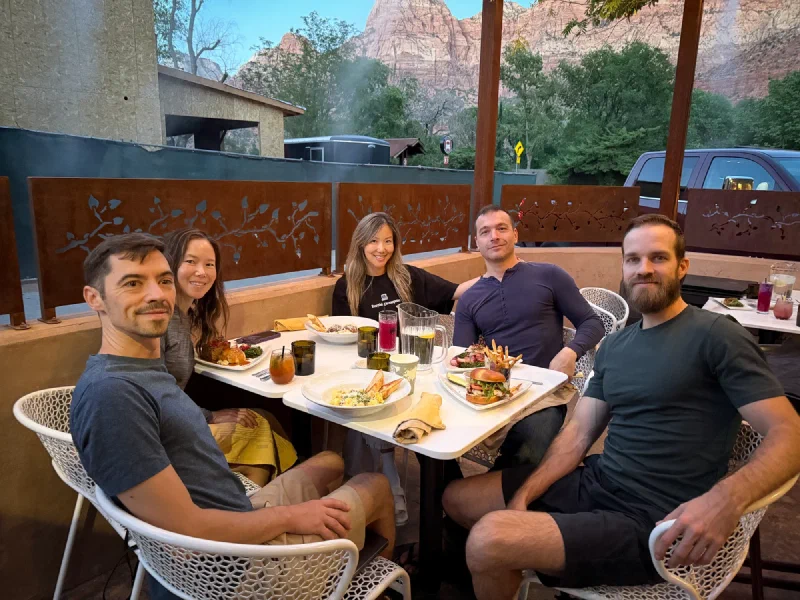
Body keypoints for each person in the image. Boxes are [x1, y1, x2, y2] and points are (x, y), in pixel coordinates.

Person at [442, 214, 800, 600]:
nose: (644, 270)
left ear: (682, 267)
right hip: (597, 484)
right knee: (457, 499)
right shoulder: (616, 346)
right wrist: (524, 497)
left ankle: (516, 555)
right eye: (633, 259)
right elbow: (577, 436)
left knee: (487, 540)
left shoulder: (717, 335)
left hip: (655, 518)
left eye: (657, 258)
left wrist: (725, 500)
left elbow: (789, 433)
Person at [70, 234, 395, 600]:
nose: (156, 294)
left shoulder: (139, 368)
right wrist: (291, 518)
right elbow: (190, 529)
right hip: (239, 572)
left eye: (163, 280)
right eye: (132, 283)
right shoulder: (112, 397)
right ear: (93, 298)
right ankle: (351, 586)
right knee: (377, 486)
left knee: (331, 462)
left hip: (237, 519)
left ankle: (333, 565)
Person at [333, 212, 478, 526]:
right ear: (360, 244)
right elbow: (346, 342)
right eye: (373, 241)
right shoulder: (347, 287)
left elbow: (457, 292)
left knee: (436, 423)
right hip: (371, 375)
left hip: (414, 371)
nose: (381, 248)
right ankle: (394, 497)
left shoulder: (407, 277)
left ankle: (452, 502)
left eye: (387, 241)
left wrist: (498, 274)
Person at [453, 205, 605, 469]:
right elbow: (463, 357)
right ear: (477, 243)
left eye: (501, 228)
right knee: (432, 429)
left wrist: (570, 351)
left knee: (529, 445)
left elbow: (592, 323)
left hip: (544, 394)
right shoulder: (469, 299)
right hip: (496, 391)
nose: (494, 236)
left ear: (514, 234)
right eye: (485, 232)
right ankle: (452, 498)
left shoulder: (549, 275)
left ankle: (494, 500)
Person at [161, 228, 295, 486]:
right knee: (257, 427)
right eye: (191, 262)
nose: (201, 272)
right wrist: (209, 416)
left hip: (176, 420)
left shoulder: (182, 315)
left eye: (209, 264)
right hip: (167, 435)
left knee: (262, 417)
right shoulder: (161, 320)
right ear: (170, 263)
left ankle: (253, 498)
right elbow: (158, 393)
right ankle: (253, 507)